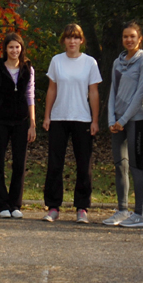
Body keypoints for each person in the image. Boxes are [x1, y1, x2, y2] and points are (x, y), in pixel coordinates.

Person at [42, 24, 102, 224]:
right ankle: (53, 207)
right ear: (64, 41)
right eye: (68, 38)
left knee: (84, 165)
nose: (72, 41)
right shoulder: (56, 61)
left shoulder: (90, 63)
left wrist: (95, 120)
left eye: (75, 37)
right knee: (55, 163)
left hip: (82, 118)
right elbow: (52, 89)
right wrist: (47, 116)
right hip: (59, 118)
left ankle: (82, 208)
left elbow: (93, 92)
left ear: (81, 40)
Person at [103, 22, 143, 228]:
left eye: (133, 36)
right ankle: (122, 210)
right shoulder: (118, 62)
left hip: (135, 121)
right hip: (117, 122)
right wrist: (111, 120)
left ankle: (139, 214)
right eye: (125, 37)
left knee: (135, 166)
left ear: (139, 39)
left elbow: (140, 94)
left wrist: (123, 121)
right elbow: (112, 91)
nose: (129, 40)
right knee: (119, 165)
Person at [0, 33, 36, 219]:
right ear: (5, 49)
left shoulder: (28, 69)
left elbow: (30, 96)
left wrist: (32, 124)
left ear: (21, 48)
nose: (14, 50)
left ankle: (15, 204)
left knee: (19, 164)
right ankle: (2, 205)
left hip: (21, 122)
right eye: (11, 47)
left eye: (17, 47)